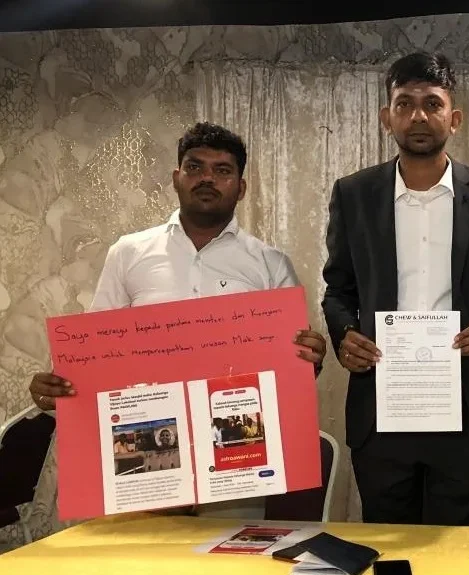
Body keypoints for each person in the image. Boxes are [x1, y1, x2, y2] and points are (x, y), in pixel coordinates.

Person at [28, 122, 328, 518]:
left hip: (236, 451)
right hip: (147, 449)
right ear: (176, 178)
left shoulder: (270, 264)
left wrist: (311, 358)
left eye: (222, 170)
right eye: (195, 167)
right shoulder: (129, 253)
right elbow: (96, 357)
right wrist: (60, 386)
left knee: (226, 554)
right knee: (145, 555)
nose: (207, 178)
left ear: (240, 187)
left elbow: (294, 368)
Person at [321, 52, 469, 526]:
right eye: (405, 104)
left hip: (463, 407)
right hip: (381, 406)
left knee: (454, 544)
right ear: (386, 117)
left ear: (454, 119)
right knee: (388, 543)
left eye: (432, 104)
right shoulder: (354, 194)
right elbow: (338, 290)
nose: (418, 115)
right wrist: (344, 334)